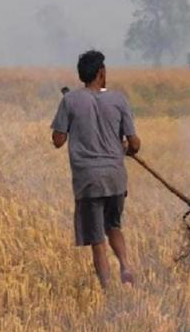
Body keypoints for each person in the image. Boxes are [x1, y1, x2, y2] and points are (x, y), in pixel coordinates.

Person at [51, 50, 141, 288]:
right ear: (101, 73)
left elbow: (58, 140)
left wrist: (71, 124)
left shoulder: (70, 101)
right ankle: (125, 266)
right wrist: (125, 146)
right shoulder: (119, 99)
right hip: (115, 178)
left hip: (88, 180)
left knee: (97, 238)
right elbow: (134, 144)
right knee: (114, 226)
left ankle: (107, 289)